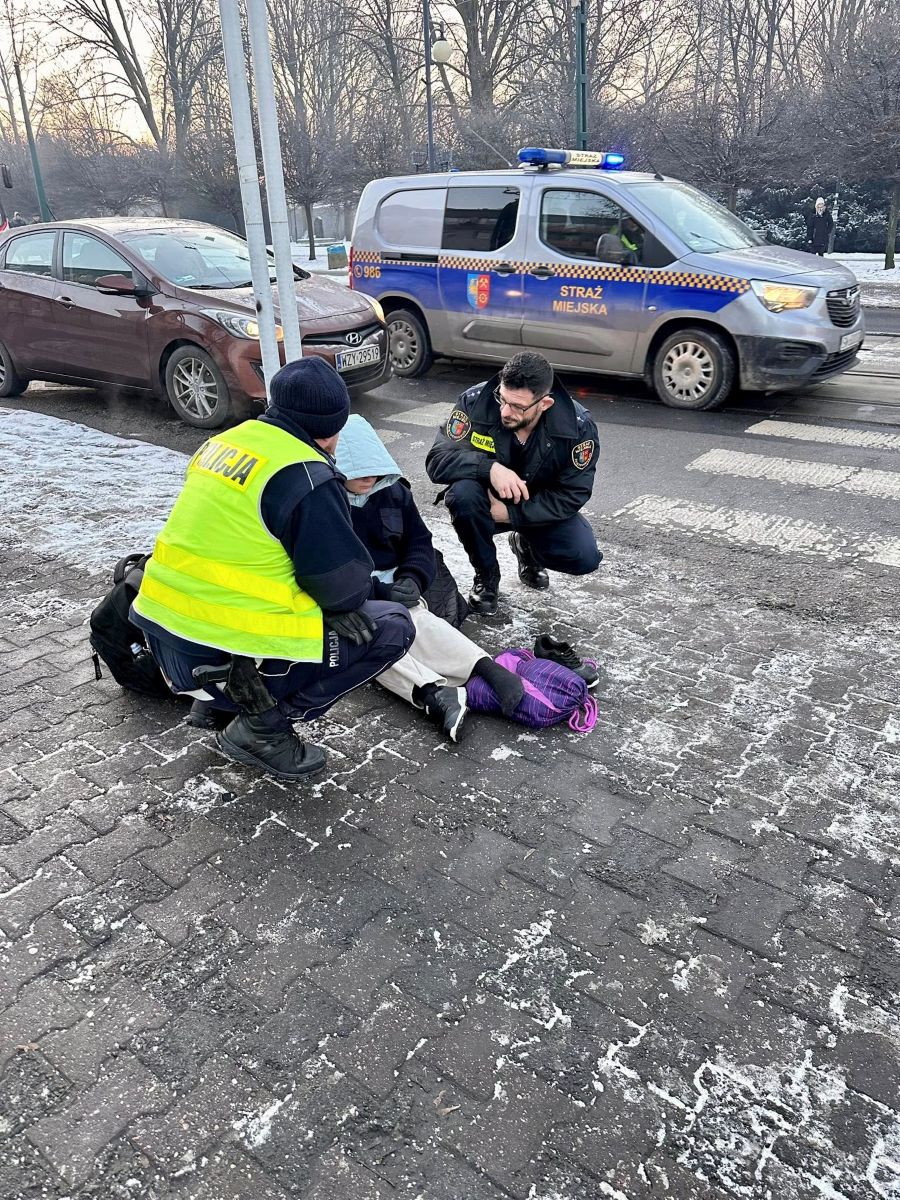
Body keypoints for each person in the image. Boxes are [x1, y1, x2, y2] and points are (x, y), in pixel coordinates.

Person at [131, 357, 415, 781]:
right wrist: (347, 600)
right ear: (333, 429)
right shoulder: (306, 475)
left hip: (164, 638)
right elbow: (344, 588)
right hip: (220, 656)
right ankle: (262, 726)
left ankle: (214, 706)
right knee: (391, 625)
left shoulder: (225, 443)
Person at [335, 415, 527, 741]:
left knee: (419, 620)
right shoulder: (328, 502)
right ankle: (432, 693)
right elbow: (330, 568)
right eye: (359, 471)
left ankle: (485, 667)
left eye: (374, 468)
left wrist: (412, 578)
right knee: (368, 637)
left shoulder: (394, 491)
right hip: (354, 595)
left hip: (398, 583)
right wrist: (379, 592)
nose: (369, 477)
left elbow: (420, 542)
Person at [425, 351, 602, 618]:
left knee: (583, 556)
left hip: (537, 506)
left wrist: (511, 514)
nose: (505, 412)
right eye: (503, 399)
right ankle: (486, 576)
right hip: (484, 500)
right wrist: (490, 468)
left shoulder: (578, 427)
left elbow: (572, 494)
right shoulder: (476, 402)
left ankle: (526, 547)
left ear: (545, 403)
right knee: (462, 495)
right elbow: (438, 460)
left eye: (518, 407)